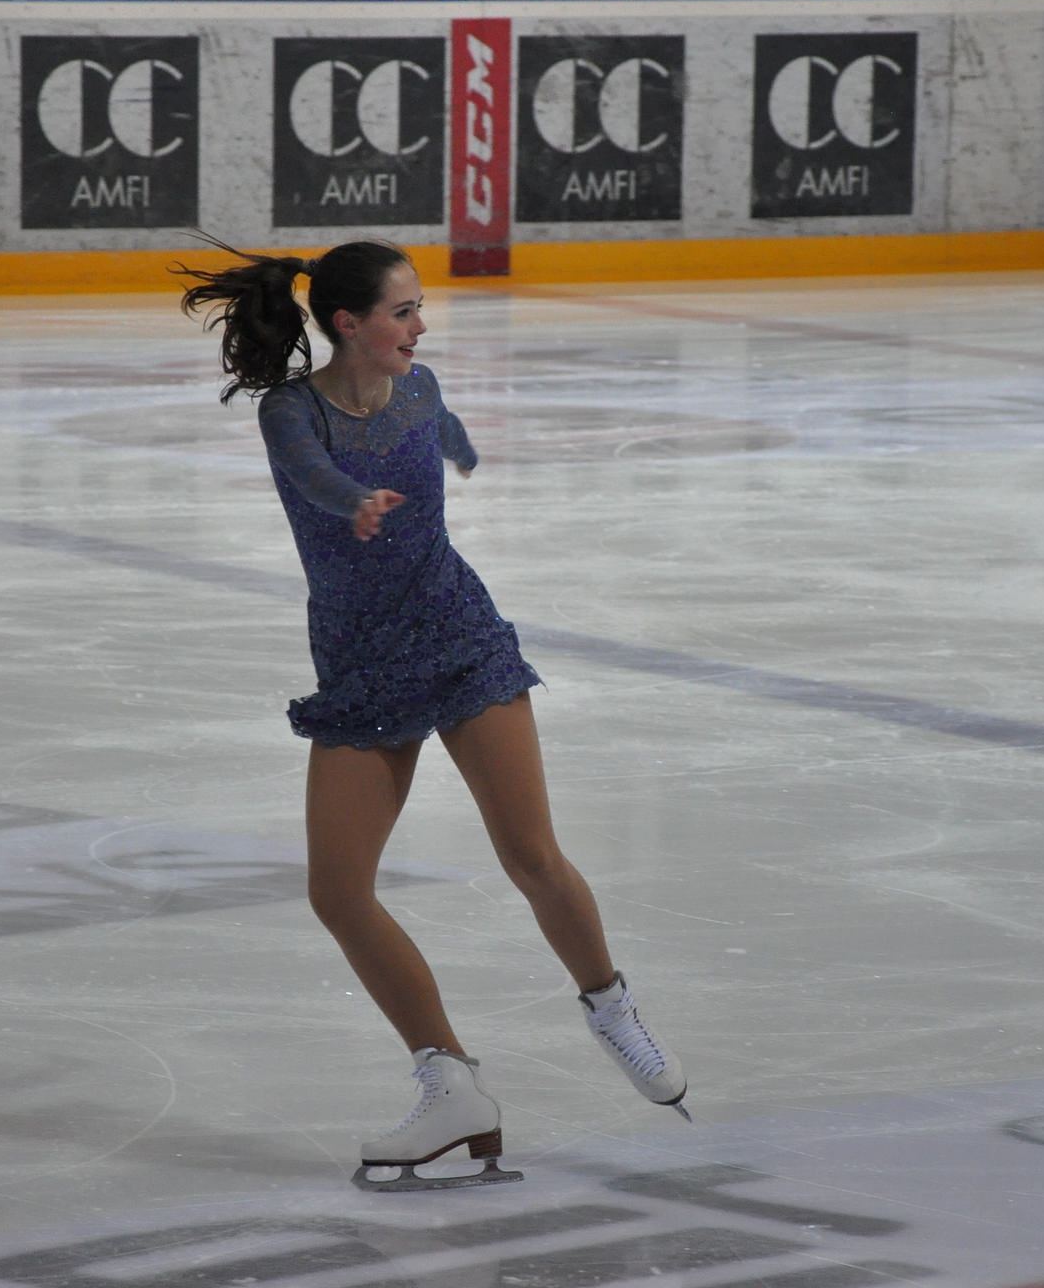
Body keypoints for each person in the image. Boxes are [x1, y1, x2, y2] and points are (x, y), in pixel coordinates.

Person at [177, 239, 688, 1191]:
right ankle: (449, 1081)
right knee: (338, 892)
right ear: (349, 323)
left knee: (531, 854)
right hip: (363, 661)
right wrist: (354, 499)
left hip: (456, 632)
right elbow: (312, 474)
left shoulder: (420, 388)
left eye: (419, 308)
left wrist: (459, 446)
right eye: (404, 311)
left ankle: (611, 1008)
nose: (421, 325)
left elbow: (440, 424)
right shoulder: (293, 410)